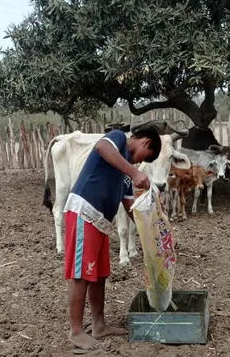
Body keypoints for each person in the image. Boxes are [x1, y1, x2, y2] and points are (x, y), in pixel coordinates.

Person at [62, 127, 161, 350]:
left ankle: (99, 325)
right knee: (81, 274)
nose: (140, 164)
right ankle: (76, 331)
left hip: (100, 222)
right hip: (83, 213)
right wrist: (134, 173)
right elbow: (102, 146)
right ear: (146, 143)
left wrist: (151, 230)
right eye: (146, 158)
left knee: (98, 275)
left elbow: (130, 207)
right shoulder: (117, 139)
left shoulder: (125, 174)